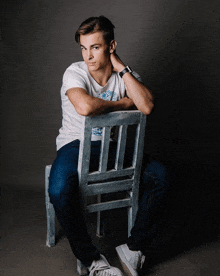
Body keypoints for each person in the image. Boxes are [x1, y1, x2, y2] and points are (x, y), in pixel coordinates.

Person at [49, 16, 170, 276]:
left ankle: (133, 249)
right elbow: (85, 107)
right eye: (84, 48)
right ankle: (92, 260)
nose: (88, 56)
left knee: (161, 176)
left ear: (111, 46)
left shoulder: (124, 77)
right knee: (59, 189)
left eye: (95, 47)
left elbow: (147, 105)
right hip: (75, 145)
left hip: (111, 149)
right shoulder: (75, 72)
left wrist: (122, 68)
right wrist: (125, 104)